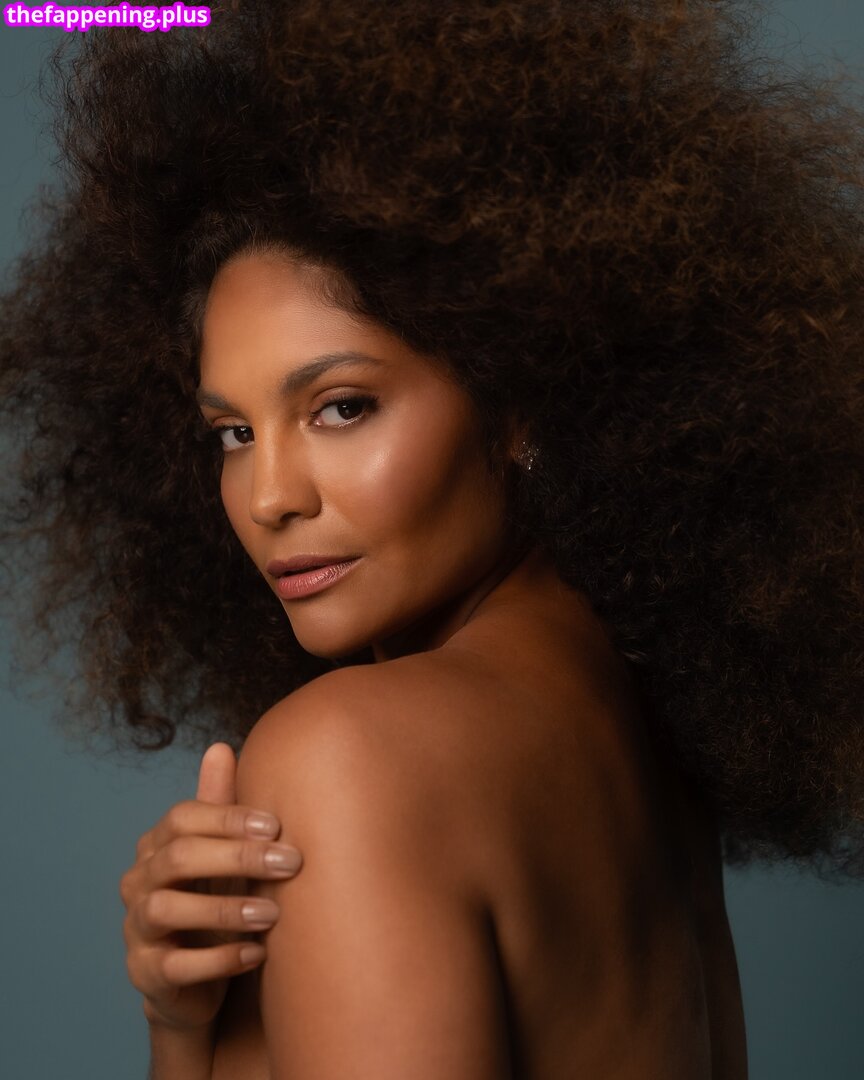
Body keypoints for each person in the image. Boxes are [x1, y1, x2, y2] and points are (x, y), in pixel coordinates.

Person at [1, 1, 863, 1076]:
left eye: (341, 407)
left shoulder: (347, 755)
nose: (268, 497)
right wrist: (186, 1020)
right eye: (233, 433)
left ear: (515, 405)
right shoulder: (645, 756)